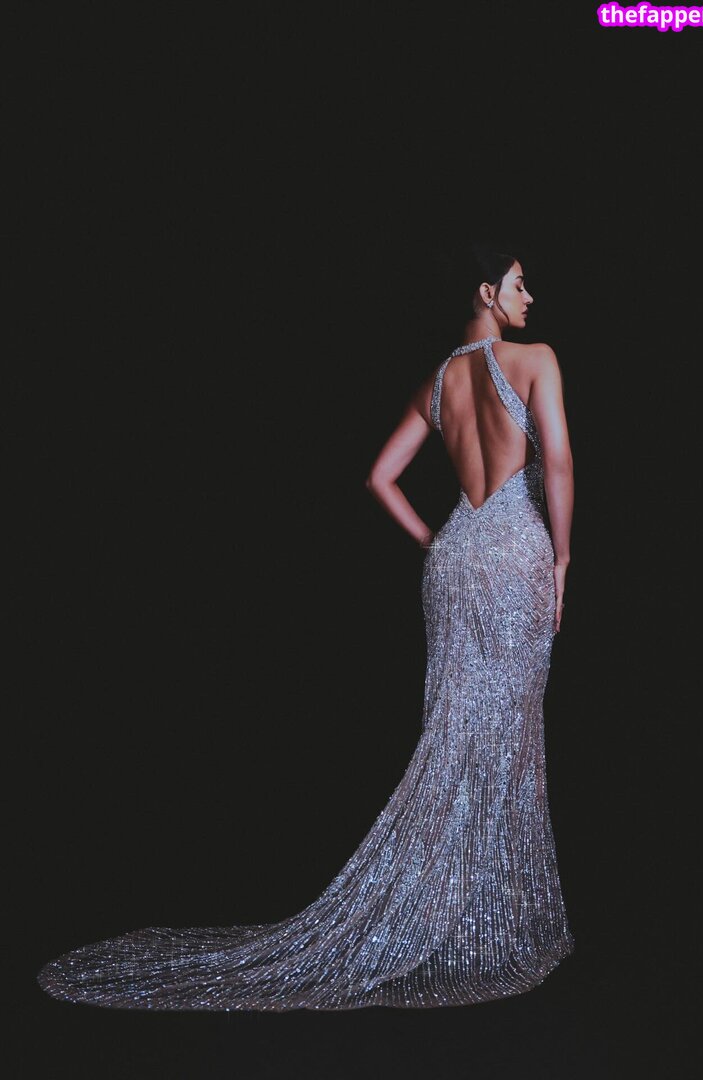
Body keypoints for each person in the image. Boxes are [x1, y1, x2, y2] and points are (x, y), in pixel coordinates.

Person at [36, 245, 575, 1012]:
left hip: (457, 556)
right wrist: (562, 558)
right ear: (488, 291)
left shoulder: (438, 382)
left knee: (456, 729)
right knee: (507, 733)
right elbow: (559, 463)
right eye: (519, 284)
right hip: (516, 550)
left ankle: (454, 915)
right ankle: (490, 926)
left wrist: (436, 542)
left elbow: (380, 477)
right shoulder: (535, 360)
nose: (530, 296)